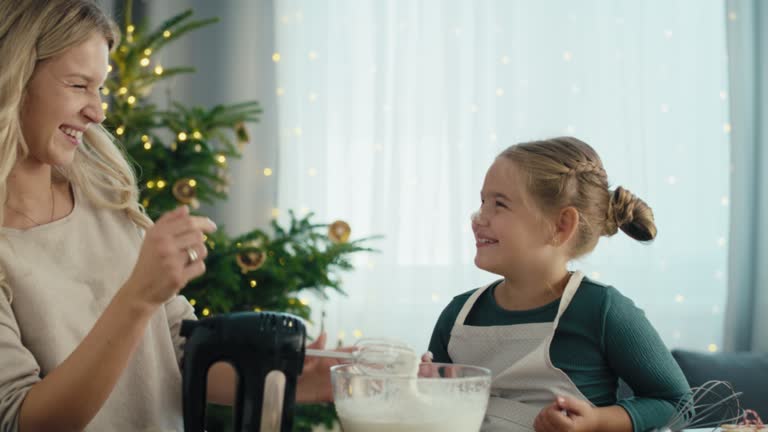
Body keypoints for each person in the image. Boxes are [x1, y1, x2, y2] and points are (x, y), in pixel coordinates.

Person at [0, 1, 337, 431]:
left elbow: (179, 355)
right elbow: (20, 421)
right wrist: (138, 297)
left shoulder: (105, 199)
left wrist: (300, 383)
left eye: (100, 88)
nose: (97, 111)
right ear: (12, 79)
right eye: (78, 85)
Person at [428, 137, 691, 432]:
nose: (478, 218)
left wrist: (597, 422)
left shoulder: (602, 310)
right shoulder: (458, 314)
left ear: (561, 226)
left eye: (499, 204)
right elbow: (434, 414)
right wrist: (419, 390)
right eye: (482, 202)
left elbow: (677, 403)